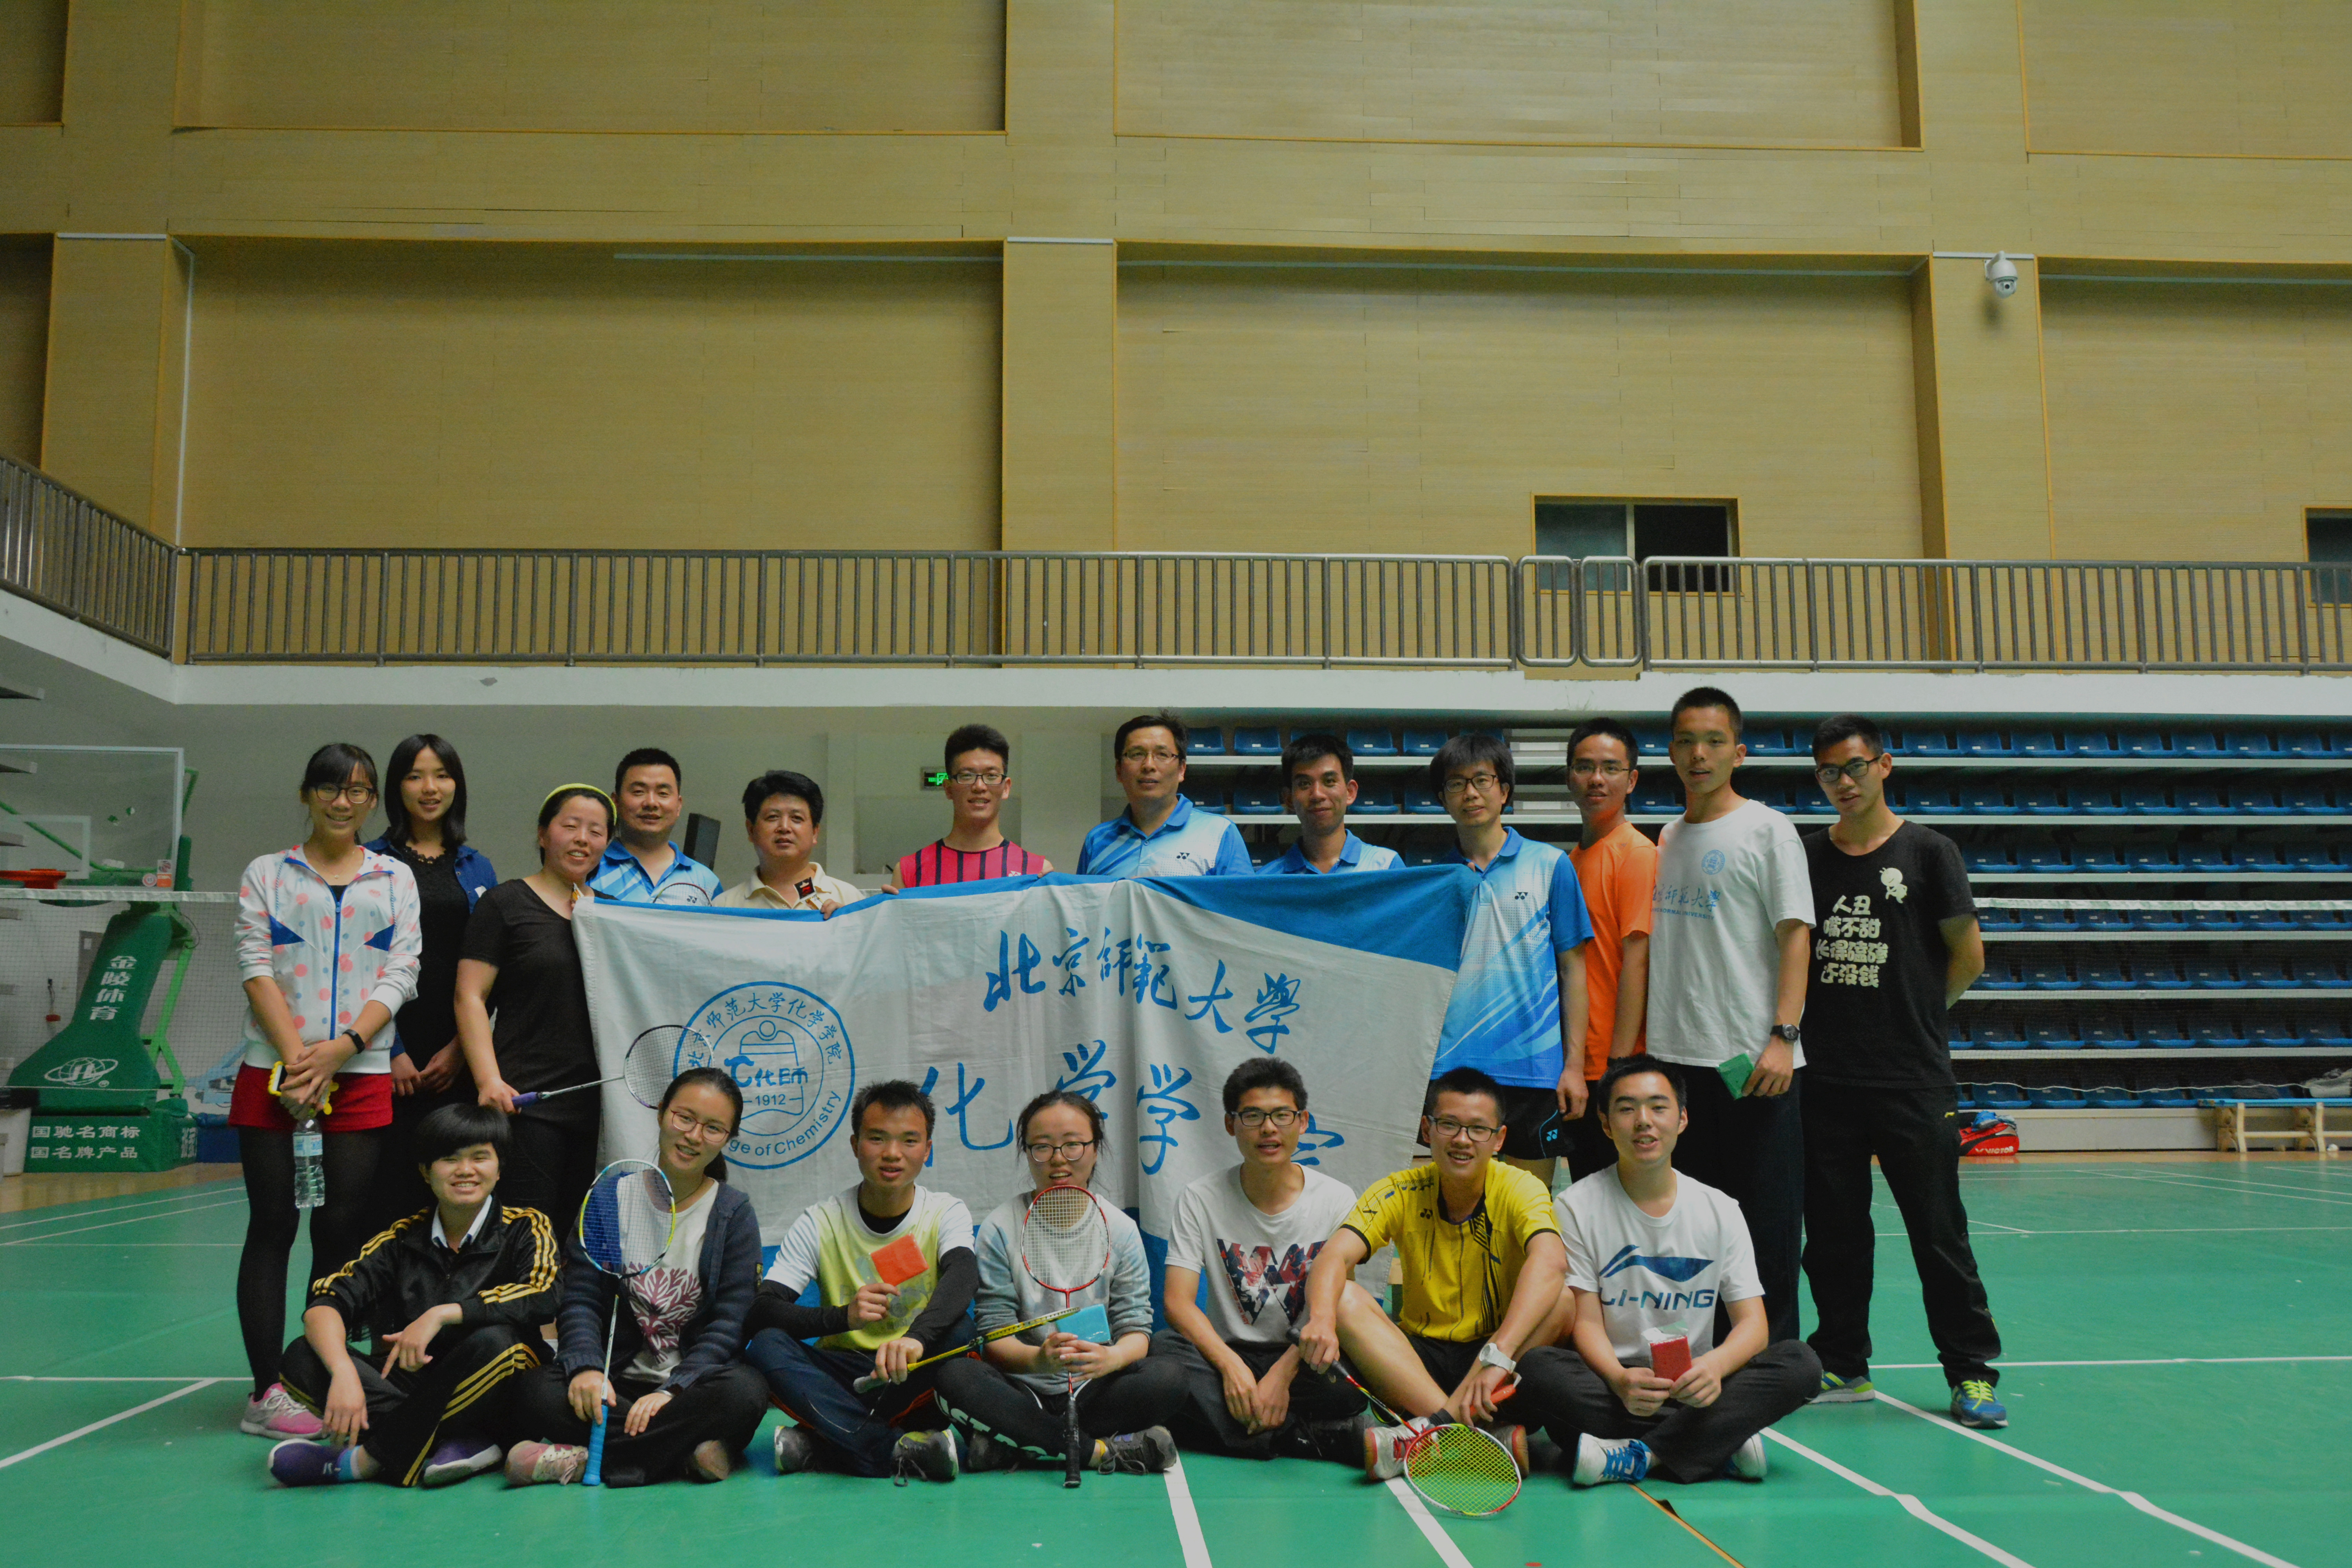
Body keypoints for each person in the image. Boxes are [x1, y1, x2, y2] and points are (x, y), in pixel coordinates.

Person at [1800, 713, 2005, 1429]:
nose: (1843, 782)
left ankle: (1972, 1371)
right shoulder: (1808, 856)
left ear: (1884, 765)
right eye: (1829, 772)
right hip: (1827, 1082)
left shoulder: (1930, 852)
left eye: (1854, 766)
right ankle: (1843, 1362)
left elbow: (1968, 957)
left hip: (1914, 1081)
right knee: (1833, 1238)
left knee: (1939, 1235)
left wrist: (1915, 1011)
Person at [232, 743, 422, 1442]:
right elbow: (255, 965)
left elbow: (402, 971)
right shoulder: (267, 874)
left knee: (341, 1230)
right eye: (329, 788)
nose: (343, 802)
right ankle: (265, 1393)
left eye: (358, 791)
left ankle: (323, 1376)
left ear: (373, 801)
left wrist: (343, 1049)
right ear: (307, 794)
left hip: (361, 1073)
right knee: (273, 1225)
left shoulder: (394, 877)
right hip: (273, 1074)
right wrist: (298, 1063)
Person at [1516, 1056, 1821, 1487]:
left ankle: (1638, 1455)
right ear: (1606, 1125)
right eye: (1627, 1109)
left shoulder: (1720, 1209)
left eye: (1658, 1107)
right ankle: (1716, 1443)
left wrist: (1714, 1368)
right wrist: (1619, 1379)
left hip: (1697, 1388)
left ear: (1682, 1119)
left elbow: (1753, 1326)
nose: (1644, 1121)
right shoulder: (1576, 1206)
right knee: (1538, 1368)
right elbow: (1586, 1321)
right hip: (1616, 1389)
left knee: (1801, 1362)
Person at [265, 1103, 557, 1488]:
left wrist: (442, 1314)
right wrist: (343, 1372)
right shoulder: (402, 1238)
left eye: (479, 1157)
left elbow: (543, 1294)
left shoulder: (526, 1226)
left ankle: (366, 1461)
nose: (465, 1170)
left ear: (499, 1168)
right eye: (449, 1159)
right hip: (416, 1386)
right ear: (426, 1171)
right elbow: (326, 1303)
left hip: (499, 1389)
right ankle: (456, 1443)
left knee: (499, 1342)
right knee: (302, 1355)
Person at [1644, 687, 1813, 1343]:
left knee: (1767, 1226)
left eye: (1714, 742)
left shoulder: (1768, 830)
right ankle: (1712, 1359)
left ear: (1738, 753)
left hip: (1752, 1064)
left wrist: (1783, 1037)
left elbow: (1795, 935)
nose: (1699, 754)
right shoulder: (1668, 837)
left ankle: (1775, 1366)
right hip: (1678, 1063)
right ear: (1671, 752)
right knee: (1696, 1226)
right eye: (1687, 741)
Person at [1298, 1067, 1566, 1479]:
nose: (1462, 1139)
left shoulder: (1521, 1187)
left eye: (1478, 1129)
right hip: (1416, 1367)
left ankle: (1431, 1434)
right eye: (1449, 1124)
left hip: (1495, 1368)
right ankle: (1475, 1439)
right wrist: (1319, 1319)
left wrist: (1498, 1355)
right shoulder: (1398, 1190)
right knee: (1344, 1300)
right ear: (1427, 1129)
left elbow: (1551, 1261)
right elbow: (1333, 1257)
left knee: (1563, 1301)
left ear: (1499, 1139)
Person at [505, 1069, 770, 1485]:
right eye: (685, 1117)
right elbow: (581, 1298)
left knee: (746, 1391)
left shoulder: (733, 1214)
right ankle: (683, 1454)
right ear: (662, 1113)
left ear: (727, 1139)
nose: (694, 1136)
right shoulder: (609, 1197)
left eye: (713, 1128)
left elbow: (731, 1323)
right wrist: (587, 1368)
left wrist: (673, 1391)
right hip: (616, 1386)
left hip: (689, 1389)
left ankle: (594, 1458)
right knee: (536, 1389)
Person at [934, 1091, 1186, 1475]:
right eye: (1042, 1147)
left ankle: (1019, 1443)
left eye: (1073, 1144)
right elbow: (995, 1336)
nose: (1058, 1158)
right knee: (954, 1376)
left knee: (1170, 1378)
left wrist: (1111, 1359)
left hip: (1094, 1390)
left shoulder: (1120, 1229)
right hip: (1022, 1390)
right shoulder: (1001, 1228)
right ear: (1027, 1152)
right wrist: (1038, 1359)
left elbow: (1136, 1328)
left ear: (1095, 1149)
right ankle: (1099, 1452)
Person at [742, 1081, 980, 1482]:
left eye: (909, 1141)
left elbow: (964, 1275)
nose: (892, 1153)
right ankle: (894, 1449)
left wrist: (916, 1338)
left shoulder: (945, 1211)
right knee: (766, 1343)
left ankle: (827, 1444)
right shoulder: (820, 1221)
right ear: (855, 1145)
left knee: (962, 1333)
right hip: (845, 1380)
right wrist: (844, 1317)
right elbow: (763, 1310)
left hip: (912, 1372)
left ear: (927, 1149)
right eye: (877, 1138)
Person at [1154, 1058, 1371, 1461]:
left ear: (1302, 1122)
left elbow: (1340, 1301)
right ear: (1230, 1124)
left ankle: (1237, 1427)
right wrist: (1231, 1367)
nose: (1268, 1129)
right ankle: (1302, 1437)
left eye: (1282, 1115)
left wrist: (1283, 1375)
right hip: (1228, 1353)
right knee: (1163, 1356)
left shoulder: (1336, 1199)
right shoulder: (1200, 1198)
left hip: (1302, 1357)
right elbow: (1177, 1303)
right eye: (1252, 1116)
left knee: (1351, 1383)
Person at [1428, 731, 1593, 1185]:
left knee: (1529, 1207)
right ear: (1443, 798)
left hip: (1534, 1071)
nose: (1471, 793)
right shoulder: (1436, 880)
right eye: (1457, 783)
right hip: (1453, 1071)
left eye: (1482, 780)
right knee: (1458, 1207)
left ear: (1504, 790)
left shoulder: (1551, 865)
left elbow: (1574, 969)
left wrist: (1574, 1067)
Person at [453, 785, 612, 1227]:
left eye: (596, 831)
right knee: (527, 1234)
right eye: (570, 826)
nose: (583, 839)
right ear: (543, 834)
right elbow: (469, 997)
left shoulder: (615, 916)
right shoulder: (505, 903)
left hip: (601, 1111)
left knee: (582, 1240)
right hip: (527, 1104)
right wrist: (489, 1081)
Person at [364, 733, 498, 1236]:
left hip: (454, 1057)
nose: (430, 788)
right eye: (415, 776)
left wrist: (463, 1049)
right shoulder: (369, 862)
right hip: (382, 1052)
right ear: (396, 787)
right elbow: (358, 965)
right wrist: (390, 1048)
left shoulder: (478, 866)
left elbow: (490, 969)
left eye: (442, 776)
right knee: (382, 1191)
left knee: (450, 1192)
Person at [1563, 717, 1657, 1181]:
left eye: (1610, 768)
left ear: (1632, 780)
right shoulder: (1571, 860)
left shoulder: (1636, 854)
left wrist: (1619, 1069)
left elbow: (1637, 962)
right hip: (1578, 1064)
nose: (1596, 779)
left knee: (1626, 1200)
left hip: (1613, 1068)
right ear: (1569, 777)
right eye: (1584, 767)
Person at [1076, 711, 1253, 878]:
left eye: (1162, 754)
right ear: (1119, 770)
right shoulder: (1097, 840)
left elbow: (1243, 899)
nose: (1149, 765)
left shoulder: (1219, 833)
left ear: (1182, 769)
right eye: (1136, 755)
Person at [886, 724, 1053, 889]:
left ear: (1006, 788)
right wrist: (886, 905)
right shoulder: (910, 872)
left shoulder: (1036, 871)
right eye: (967, 776)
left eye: (991, 776)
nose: (979, 787)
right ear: (948, 789)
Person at [716, 770, 863, 913]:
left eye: (797, 818)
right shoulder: (724, 907)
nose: (785, 827)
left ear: (815, 832)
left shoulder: (850, 900)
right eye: (772, 817)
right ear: (751, 830)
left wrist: (846, 922)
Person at [590, 747, 722, 906]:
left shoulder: (707, 882)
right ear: (616, 802)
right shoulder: (588, 868)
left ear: (679, 805)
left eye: (663, 793)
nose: (651, 803)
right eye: (639, 791)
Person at [1257, 732, 1403, 876]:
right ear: (1289, 799)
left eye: (1329, 781)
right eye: (1304, 784)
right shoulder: (1268, 881)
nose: (1317, 795)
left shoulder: (1387, 867)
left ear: (1350, 792)